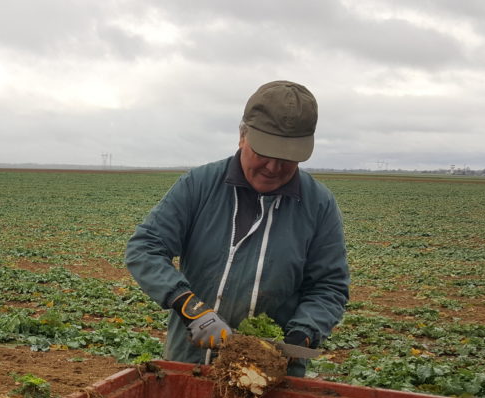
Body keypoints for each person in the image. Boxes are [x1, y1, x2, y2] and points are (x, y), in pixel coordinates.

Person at [125, 80, 349, 376]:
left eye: (286, 159)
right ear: (243, 136)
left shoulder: (318, 204)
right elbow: (145, 248)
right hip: (191, 364)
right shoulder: (200, 185)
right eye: (264, 153)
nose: (272, 167)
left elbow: (328, 286)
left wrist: (301, 335)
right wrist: (189, 307)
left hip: (272, 376)